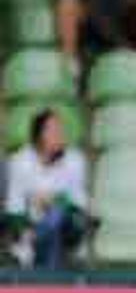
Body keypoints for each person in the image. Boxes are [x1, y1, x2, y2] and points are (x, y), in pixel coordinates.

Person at [4, 109, 89, 268]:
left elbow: (79, 205)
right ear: (38, 135)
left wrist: (55, 200)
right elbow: (14, 207)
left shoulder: (75, 160)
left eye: (61, 130)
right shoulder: (19, 162)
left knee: (57, 213)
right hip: (30, 229)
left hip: (65, 229)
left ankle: (36, 251)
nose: (60, 136)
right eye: (53, 131)